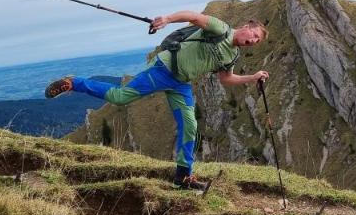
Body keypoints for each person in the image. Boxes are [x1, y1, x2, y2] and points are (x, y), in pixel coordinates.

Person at [46, 11, 269, 191]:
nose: (253, 41)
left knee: (190, 127)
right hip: (164, 69)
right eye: (255, 35)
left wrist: (252, 77)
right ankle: (74, 83)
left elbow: (226, 78)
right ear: (247, 26)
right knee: (120, 97)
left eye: (257, 41)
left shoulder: (233, 55)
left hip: (181, 84)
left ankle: (183, 177)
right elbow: (193, 17)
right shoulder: (220, 28)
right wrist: (166, 20)